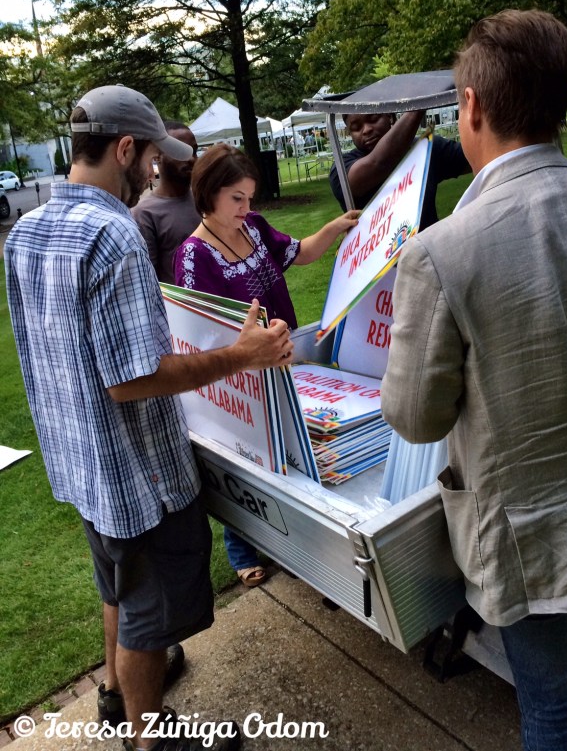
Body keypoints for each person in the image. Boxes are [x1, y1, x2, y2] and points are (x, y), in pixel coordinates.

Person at [5, 85, 294, 751]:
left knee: (117, 585)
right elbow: (133, 377)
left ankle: (113, 692)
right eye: (152, 159)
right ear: (126, 149)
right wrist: (238, 354)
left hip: (80, 462)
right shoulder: (115, 234)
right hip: (137, 474)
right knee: (145, 614)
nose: (158, 172)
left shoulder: (27, 229)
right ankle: (148, 737)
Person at [381, 9, 567, 751]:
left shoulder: (439, 253)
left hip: (527, 543)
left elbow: (416, 417)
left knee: (552, 713)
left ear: (472, 106)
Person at [174, 143, 359, 586]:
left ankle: (297, 542)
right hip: (241, 382)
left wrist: (335, 227)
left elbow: (301, 253)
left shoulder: (254, 227)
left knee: (293, 458)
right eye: (236, 198)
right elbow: (198, 341)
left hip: (288, 361)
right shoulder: (192, 257)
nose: (246, 207)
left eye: (249, 197)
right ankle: (242, 547)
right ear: (208, 194)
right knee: (250, 464)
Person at [329, 109, 470, 228]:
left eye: (373, 119)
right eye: (356, 127)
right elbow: (378, 164)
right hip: (379, 260)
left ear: (390, 117)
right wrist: (417, 107)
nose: (366, 130)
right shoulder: (341, 169)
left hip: (428, 253)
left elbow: (476, 155)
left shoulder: (424, 147)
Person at [131, 121, 200, 284]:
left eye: (194, 151)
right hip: (182, 308)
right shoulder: (144, 214)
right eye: (180, 151)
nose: (191, 159)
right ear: (157, 156)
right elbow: (150, 282)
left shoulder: (206, 200)